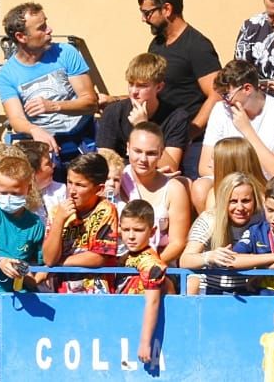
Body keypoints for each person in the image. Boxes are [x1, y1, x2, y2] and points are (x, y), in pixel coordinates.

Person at [137, 0, 222, 176]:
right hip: (163, 138)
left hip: (192, 145)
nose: (144, 19)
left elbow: (217, 94)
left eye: (147, 13)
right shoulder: (157, 45)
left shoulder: (197, 46)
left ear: (167, 9)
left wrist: (191, 133)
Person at [0, 152, 46, 382]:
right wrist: (0, 262)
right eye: (2, 192)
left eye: (14, 193)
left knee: (24, 368)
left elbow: (40, 265)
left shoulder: (36, 223)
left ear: (28, 188)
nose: (7, 197)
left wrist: (29, 274)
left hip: (24, 301)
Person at [0, 2, 98, 159]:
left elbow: (91, 102)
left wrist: (54, 106)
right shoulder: (6, 74)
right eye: (41, 28)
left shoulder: (66, 53)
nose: (49, 30)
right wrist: (34, 130)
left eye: (46, 24)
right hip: (45, 147)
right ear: (21, 37)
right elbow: (16, 119)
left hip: (83, 140)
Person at [184, 173, 274, 296]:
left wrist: (261, 267)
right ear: (223, 201)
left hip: (248, 290)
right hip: (214, 288)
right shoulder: (210, 220)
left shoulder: (263, 217)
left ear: (255, 201)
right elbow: (185, 260)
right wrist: (209, 257)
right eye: (233, 201)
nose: (240, 207)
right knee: (191, 283)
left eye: (246, 201)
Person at [193, 60, 274, 211]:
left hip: (264, 181)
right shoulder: (221, 110)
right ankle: (216, 233)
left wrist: (246, 130)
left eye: (227, 95)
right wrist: (238, 182)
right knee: (200, 188)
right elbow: (204, 166)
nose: (225, 101)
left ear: (247, 88)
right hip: (229, 180)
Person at [96, 54, 191, 173]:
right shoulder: (113, 112)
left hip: (160, 180)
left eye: (142, 86)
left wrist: (143, 126)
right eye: (131, 84)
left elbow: (170, 167)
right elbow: (105, 161)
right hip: (122, 177)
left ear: (159, 87)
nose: (134, 91)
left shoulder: (176, 117)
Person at [43, 151, 119, 293]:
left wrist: (59, 263)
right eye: (69, 182)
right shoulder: (58, 211)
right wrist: (59, 221)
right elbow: (48, 258)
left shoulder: (106, 209)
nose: (72, 190)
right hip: (62, 293)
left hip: (95, 294)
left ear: (99, 189)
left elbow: (98, 257)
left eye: (80, 185)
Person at [118, 123, 192, 266]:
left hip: (159, 267)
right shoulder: (115, 181)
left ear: (161, 153)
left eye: (151, 153)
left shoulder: (174, 189)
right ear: (127, 148)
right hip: (117, 265)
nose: (143, 159)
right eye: (137, 151)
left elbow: (178, 242)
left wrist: (148, 265)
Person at [113, 199, 167, 365]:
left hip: (140, 333)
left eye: (138, 230)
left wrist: (145, 343)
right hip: (122, 326)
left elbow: (153, 301)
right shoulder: (124, 257)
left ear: (152, 232)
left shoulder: (152, 264)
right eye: (126, 229)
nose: (130, 236)